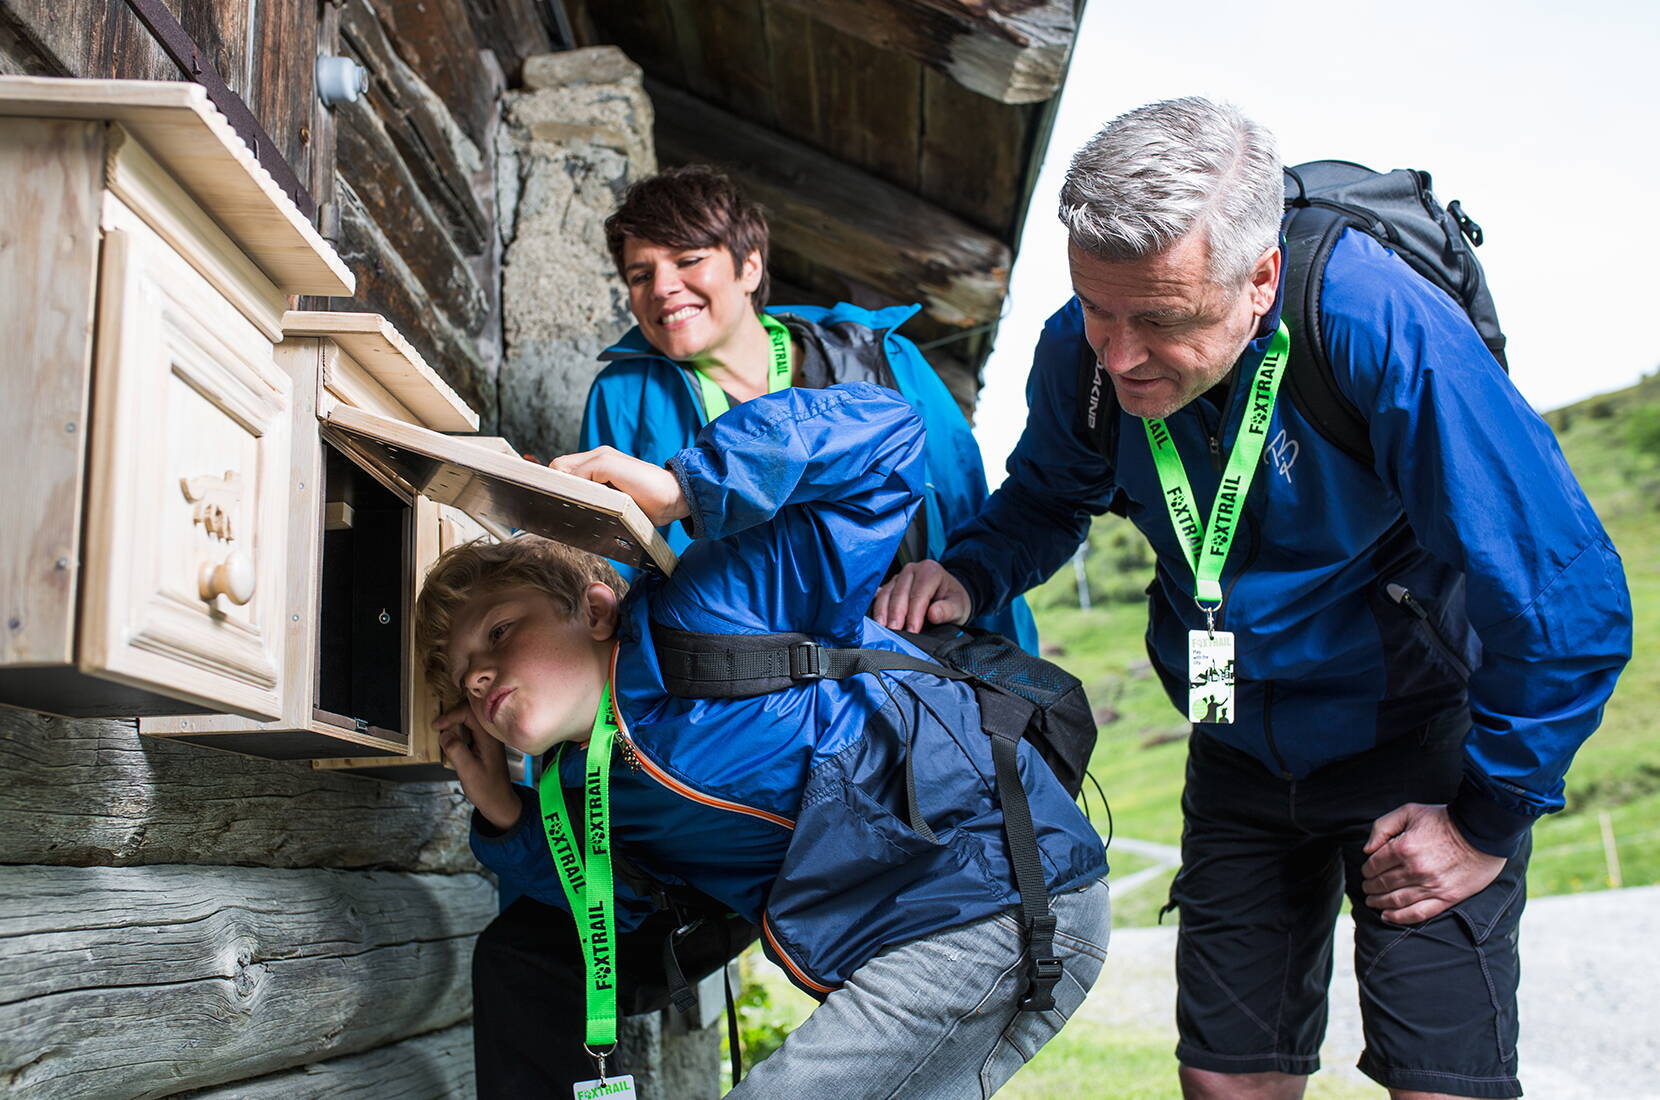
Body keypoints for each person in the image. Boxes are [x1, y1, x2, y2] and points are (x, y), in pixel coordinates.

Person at [873, 97, 1632, 1100]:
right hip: (1234, 744)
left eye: (1160, 318)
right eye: (1097, 308)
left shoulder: (1375, 323)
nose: (1117, 354)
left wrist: (1485, 818)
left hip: (1412, 742)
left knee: (1440, 1085)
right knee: (1227, 1081)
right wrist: (968, 571)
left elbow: (1560, 595)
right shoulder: (1086, 349)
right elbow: (1052, 493)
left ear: (1259, 275)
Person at [420, 383, 1110, 1098]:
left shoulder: (713, 607)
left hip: (996, 900)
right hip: (895, 950)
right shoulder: (572, 787)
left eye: (498, 632)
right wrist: (504, 812)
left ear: (595, 610)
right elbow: (621, 913)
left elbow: (887, 436)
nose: (478, 676)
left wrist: (683, 486)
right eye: (465, 673)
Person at [579, 164, 1038, 652]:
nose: (662, 287)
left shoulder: (884, 358)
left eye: (688, 260)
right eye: (640, 274)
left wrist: (999, 651)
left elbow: (963, 504)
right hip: (749, 682)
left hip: (920, 648)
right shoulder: (622, 394)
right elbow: (609, 560)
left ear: (749, 266)